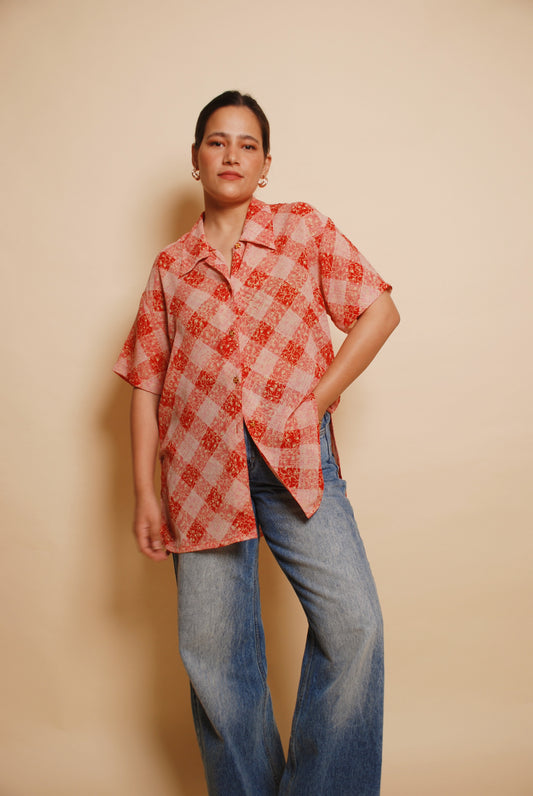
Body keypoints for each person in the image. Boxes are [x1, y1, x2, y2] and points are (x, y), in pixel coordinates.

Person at [114, 90, 400, 796]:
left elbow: (378, 310)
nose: (230, 155)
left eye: (246, 145)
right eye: (216, 141)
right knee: (216, 660)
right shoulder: (171, 267)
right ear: (194, 159)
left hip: (298, 461)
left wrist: (318, 400)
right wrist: (146, 492)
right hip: (199, 474)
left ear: (265, 164)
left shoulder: (301, 230)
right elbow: (145, 382)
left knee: (354, 627)